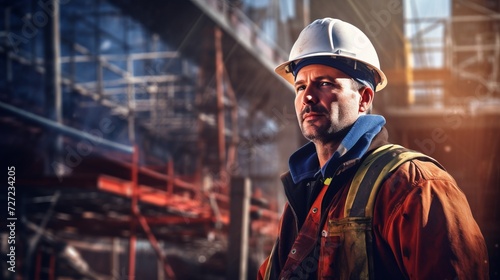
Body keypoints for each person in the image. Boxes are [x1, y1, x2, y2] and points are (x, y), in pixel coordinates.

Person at [257, 18, 489, 279]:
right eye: (301, 86)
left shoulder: (415, 185)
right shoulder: (303, 196)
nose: (307, 97)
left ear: (364, 98)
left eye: (324, 83)